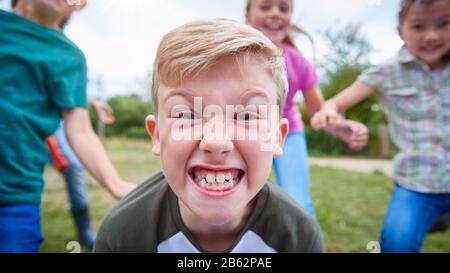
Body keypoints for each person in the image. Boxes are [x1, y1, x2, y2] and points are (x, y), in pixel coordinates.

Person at [94, 18, 324, 253]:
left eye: (246, 117)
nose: (216, 141)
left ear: (277, 137)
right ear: (158, 136)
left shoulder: (299, 238)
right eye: (186, 115)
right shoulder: (121, 236)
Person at [311, 0, 450, 252]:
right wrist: (329, 113)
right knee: (397, 243)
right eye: (418, 26)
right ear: (401, 32)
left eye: (444, 24)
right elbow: (334, 103)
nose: (431, 35)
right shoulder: (387, 72)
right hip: (417, 184)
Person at [0, 0, 136, 253]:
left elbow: (81, 131)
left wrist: (115, 184)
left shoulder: (69, 57)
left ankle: (84, 230)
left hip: (15, 196)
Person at [245, 0, 369, 218]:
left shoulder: (298, 61)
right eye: (265, 7)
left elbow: (319, 112)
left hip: (289, 133)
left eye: (284, 8)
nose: (275, 13)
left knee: (299, 205)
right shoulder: (235, 56)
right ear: (248, 15)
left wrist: (340, 128)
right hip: (246, 133)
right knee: (243, 201)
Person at [46, 99, 115, 250]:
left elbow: (67, 87)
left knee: (74, 167)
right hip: (39, 117)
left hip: (57, 120)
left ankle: (84, 231)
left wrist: (94, 103)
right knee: (72, 166)